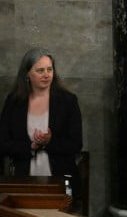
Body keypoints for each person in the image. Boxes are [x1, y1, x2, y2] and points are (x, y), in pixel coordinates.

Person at [0, 48, 82, 178]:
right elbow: (3, 143)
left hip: (60, 178)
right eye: (40, 70)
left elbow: (76, 144)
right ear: (27, 74)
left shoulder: (68, 101)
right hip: (22, 179)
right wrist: (31, 146)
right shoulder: (14, 102)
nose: (46, 75)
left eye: (49, 69)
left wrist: (49, 142)